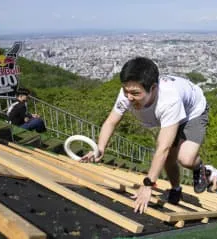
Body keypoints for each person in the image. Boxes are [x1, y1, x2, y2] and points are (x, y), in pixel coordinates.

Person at [81, 57, 209, 214]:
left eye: (135, 93)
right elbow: (111, 122)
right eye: (125, 91)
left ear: (153, 88)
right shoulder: (128, 93)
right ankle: (176, 189)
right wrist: (99, 148)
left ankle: (199, 167)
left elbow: (163, 147)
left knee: (185, 158)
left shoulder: (169, 100)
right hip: (169, 114)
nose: (129, 97)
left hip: (192, 112)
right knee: (169, 159)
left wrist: (148, 184)